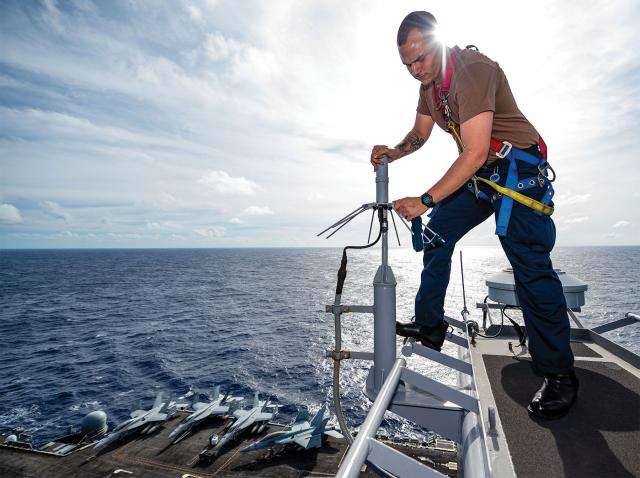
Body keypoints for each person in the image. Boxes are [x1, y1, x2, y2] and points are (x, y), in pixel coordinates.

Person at [370, 11, 578, 419]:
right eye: (407, 64)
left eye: (421, 59)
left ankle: (560, 375)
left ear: (438, 43)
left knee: (529, 264)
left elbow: (476, 150)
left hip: (517, 169)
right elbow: (421, 134)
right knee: (439, 233)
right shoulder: (430, 87)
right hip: (484, 175)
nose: (415, 70)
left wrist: (426, 198)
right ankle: (430, 324)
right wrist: (394, 152)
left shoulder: (472, 69)